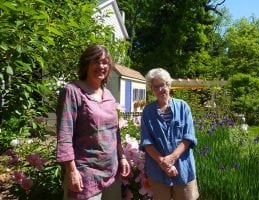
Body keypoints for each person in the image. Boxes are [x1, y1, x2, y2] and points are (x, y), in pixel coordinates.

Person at [56, 44, 130, 200]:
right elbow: (64, 135)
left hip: (111, 172)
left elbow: (114, 131)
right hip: (84, 174)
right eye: (96, 61)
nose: (101, 66)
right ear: (86, 64)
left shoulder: (108, 94)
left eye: (105, 62)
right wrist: (71, 171)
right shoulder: (72, 91)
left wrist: (122, 157)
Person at [140, 68, 199, 200]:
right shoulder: (148, 112)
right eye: (156, 86)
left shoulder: (183, 107)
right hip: (157, 169)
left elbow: (188, 137)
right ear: (152, 89)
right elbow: (146, 141)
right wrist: (163, 162)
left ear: (169, 85)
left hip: (183, 168)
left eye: (163, 85)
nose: (161, 89)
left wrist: (171, 158)